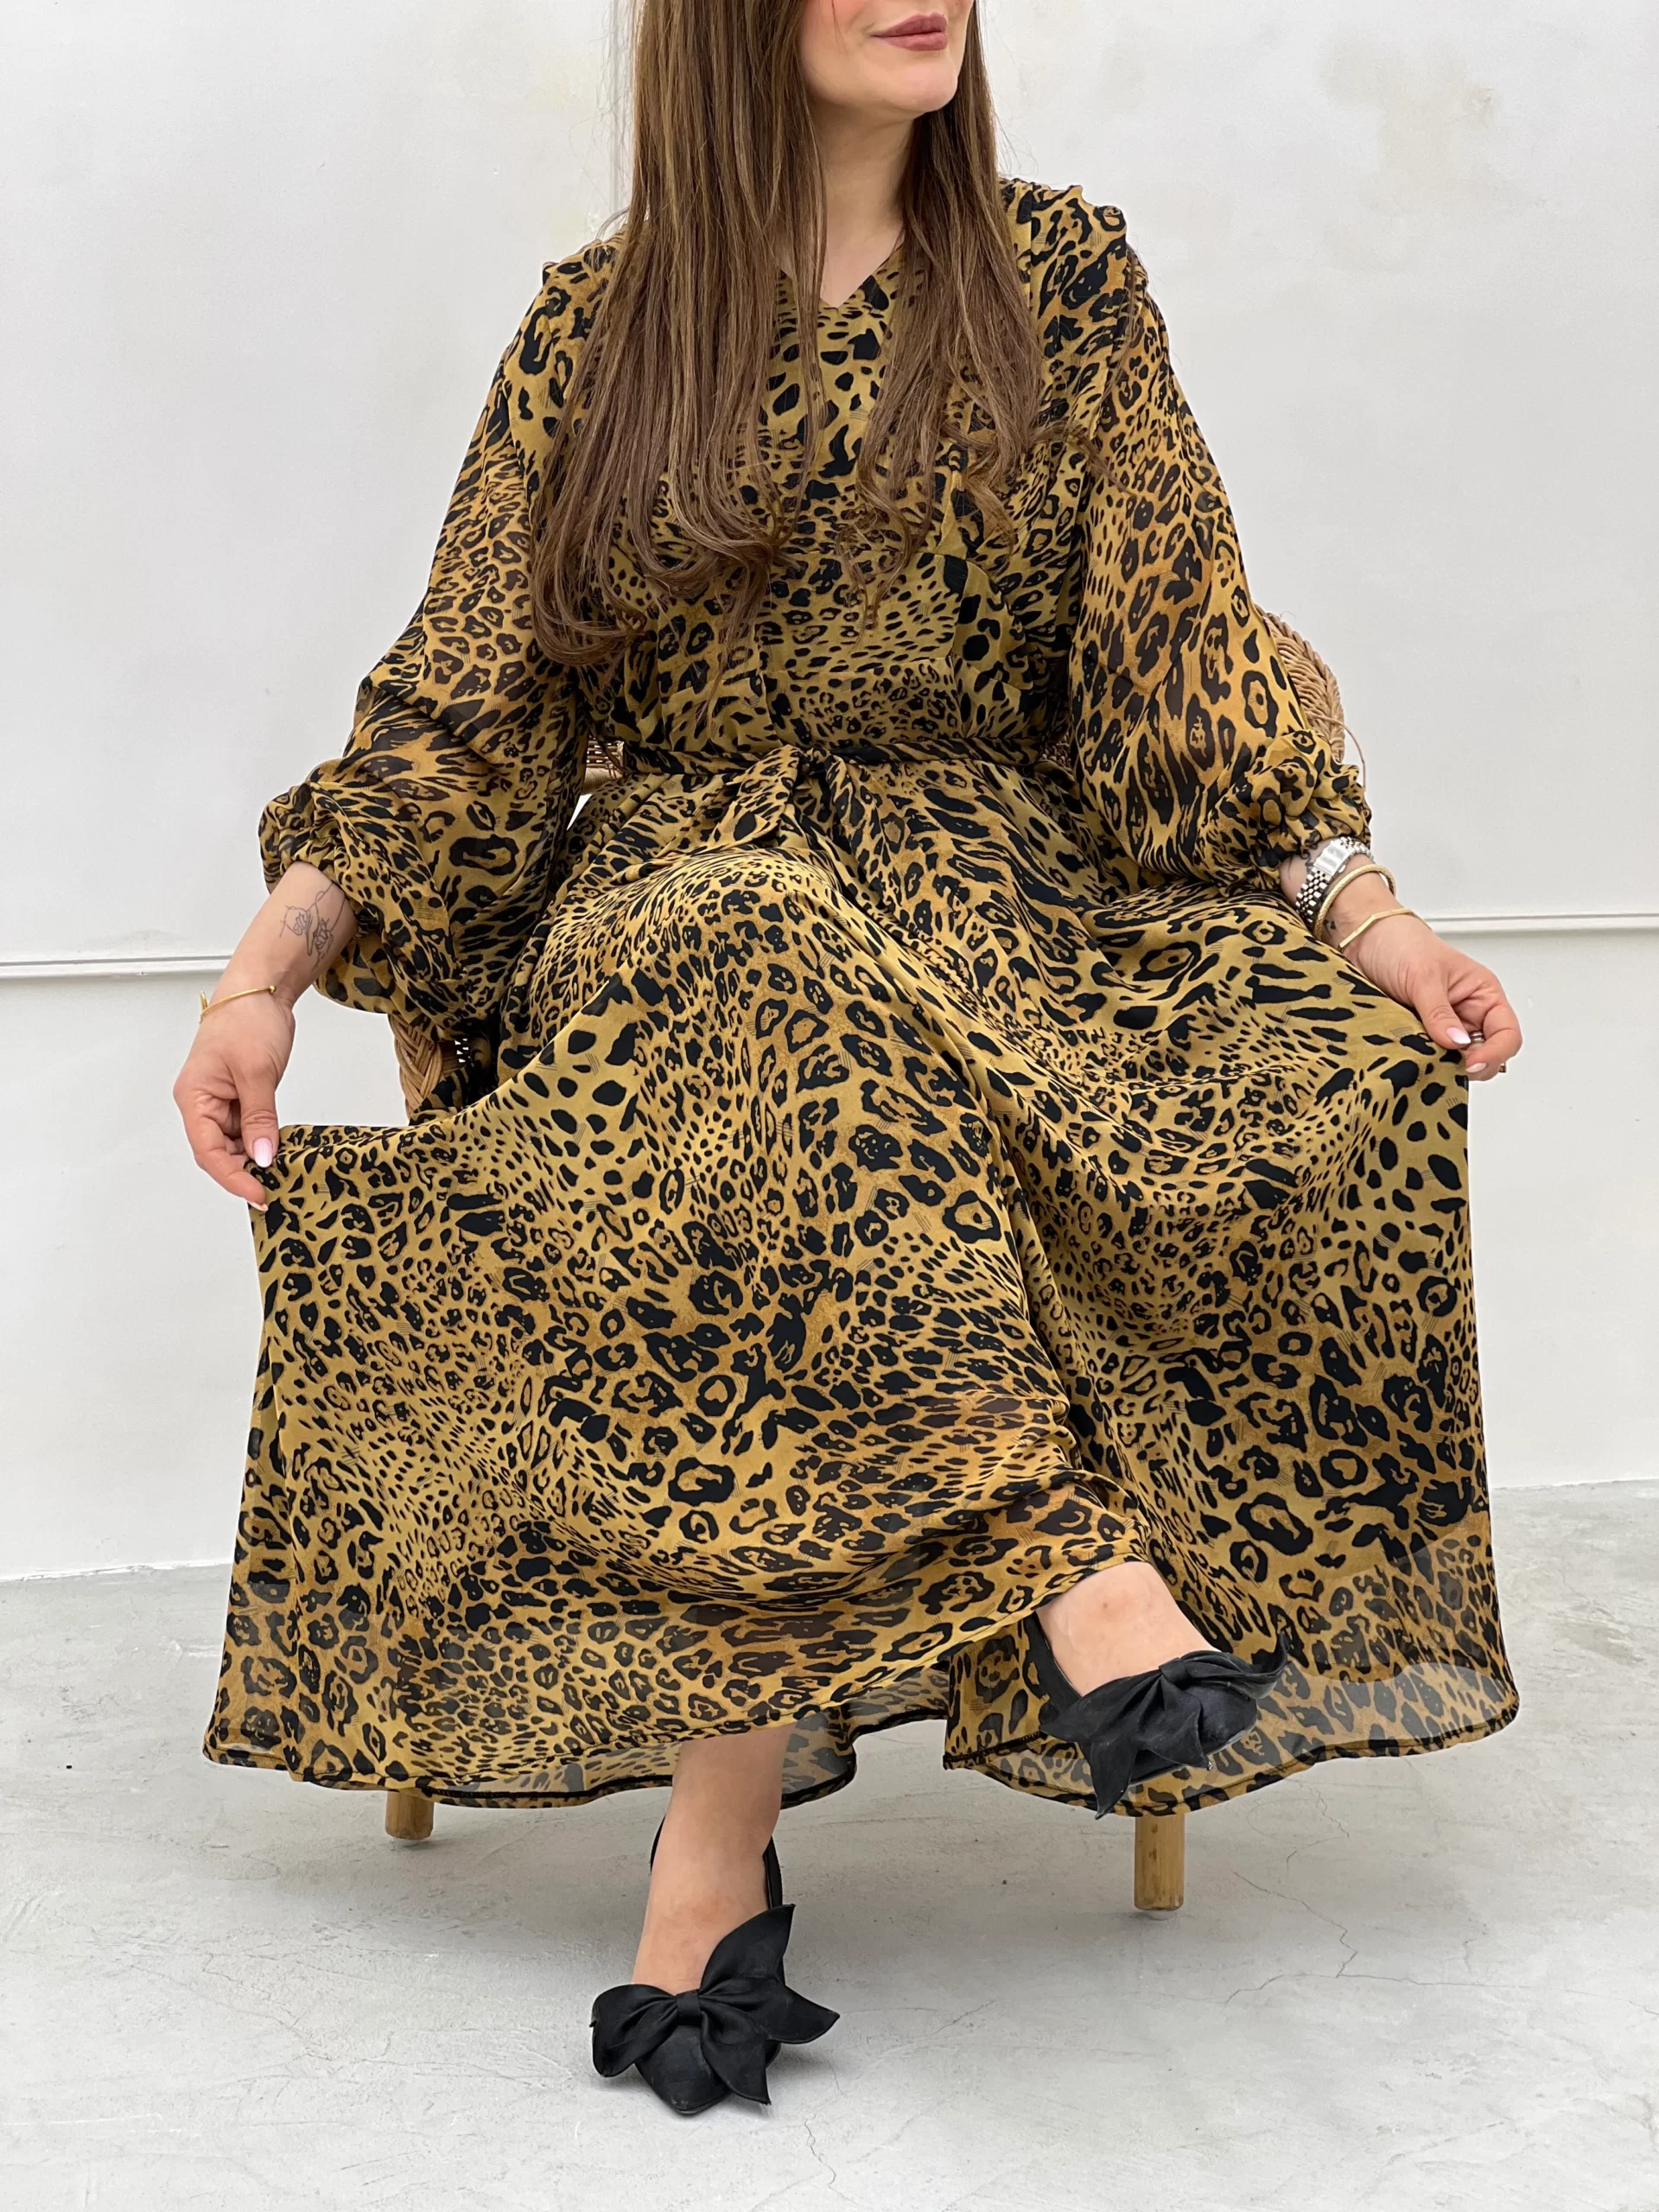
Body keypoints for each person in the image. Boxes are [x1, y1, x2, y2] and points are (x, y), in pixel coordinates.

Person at [173, 0, 1522, 2119]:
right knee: (758, 943)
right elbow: (458, 712)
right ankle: (1072, 1563)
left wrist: (1371, 912)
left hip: (999, 913)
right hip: (672, 925)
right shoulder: (596, 333)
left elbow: (1180, 658)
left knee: (1197, 1048)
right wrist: (260, 977)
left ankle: (716, 1844)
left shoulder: (1062, 279)